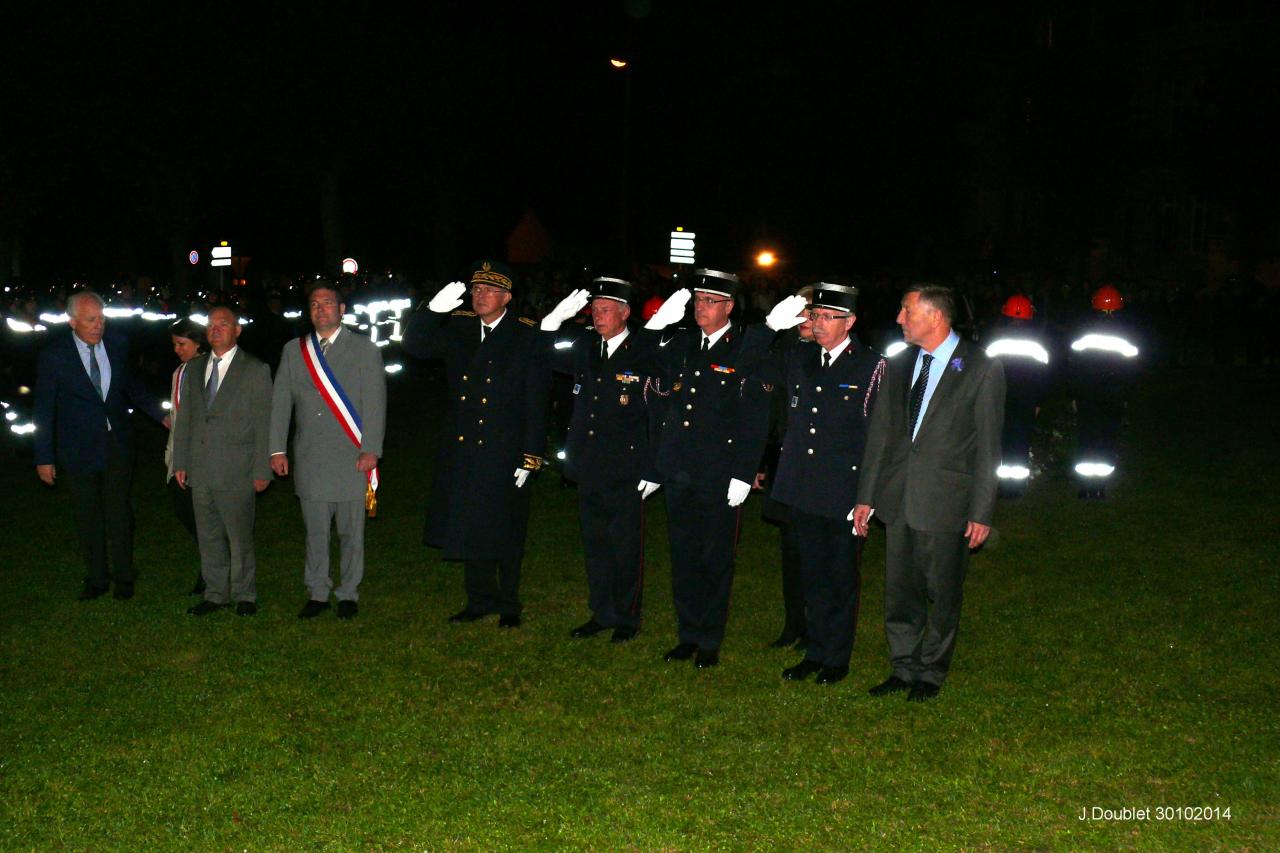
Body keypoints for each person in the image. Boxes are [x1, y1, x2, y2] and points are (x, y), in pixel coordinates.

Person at [852, 284, 1005, 701]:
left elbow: (990, 448)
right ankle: (902, 667)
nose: (899, 318)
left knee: (942, 591)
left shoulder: (980, 368)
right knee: (899, 590)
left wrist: (982, 510)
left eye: (906, 311)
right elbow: (880, 436)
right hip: (898, 497)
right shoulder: (898, 365)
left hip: (947, 500)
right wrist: (866, 495)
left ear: (935, 317)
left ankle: (930, 673)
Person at [748, 284, 885, 685]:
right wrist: (768, 327)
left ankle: (836, 658)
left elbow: (878, 437)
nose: (817, 323)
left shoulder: (871, 366)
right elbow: (746, 362)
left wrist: (866, 496)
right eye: (814, 315)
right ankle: (815, 651)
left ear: (850, 322)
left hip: (843, 490)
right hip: (802, 487)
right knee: (811, 576)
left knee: (839, 577)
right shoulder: (800, 357)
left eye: (827, 317)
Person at [401, 261, 551, 628]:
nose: (478, 295)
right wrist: (431, 311)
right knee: (470, 523)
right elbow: (414, 345)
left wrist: (531, 454)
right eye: (476, 289)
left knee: (507, 526)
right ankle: (479, 598)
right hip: (465, 445)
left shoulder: (524, 334)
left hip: (505, 447)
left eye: (488, 290)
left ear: (507, 297)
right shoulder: (459, 328)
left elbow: (537, 396)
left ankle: (509, 602)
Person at [642, 270, 774, 668]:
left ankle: (710, 640)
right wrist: (656, 324)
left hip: (719, 474)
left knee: (715, 559)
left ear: (729, 306)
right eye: (698, 300)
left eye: (710, 301)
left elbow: (756, 417)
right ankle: (688, 634)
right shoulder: (682, 344)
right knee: (683, 556)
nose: (701, 307)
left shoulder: (748, 347)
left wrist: (743, 471)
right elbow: (641, 361)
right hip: (680, 469)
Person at [539, 277, 664, 643]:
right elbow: (543, 355)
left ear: (625, 313)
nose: (598, 316)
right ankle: (602, 611)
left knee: (625, 546)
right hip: (589, 462)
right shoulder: (586, 347)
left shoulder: (644, 351)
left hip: (627, 467)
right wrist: (551, 323)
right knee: (595, 543)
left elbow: (658, 414)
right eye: (594, 309)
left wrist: (654, 467)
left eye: (606, 309)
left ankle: (627, 616)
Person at [33, 289, 166, 600]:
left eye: (101, 318)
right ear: (72, 322)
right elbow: (44, 408)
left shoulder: (118, 344)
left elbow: (131, 386)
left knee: (119, 510)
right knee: (87, 514)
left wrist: (162, 415)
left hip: (116, 442)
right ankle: (96, 577)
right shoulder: (54, 356)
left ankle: (123, 575)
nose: (98, 325)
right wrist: (44, 456)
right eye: (90, 320)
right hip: (77, 448)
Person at [269, 279, 386, 619]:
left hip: (352, 455)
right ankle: (318, 591)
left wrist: (371, 449)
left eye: (328, 304)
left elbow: (376, 404)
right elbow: (280, 403)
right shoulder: (295, 350)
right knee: (316, 531)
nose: (321, 310)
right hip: (311, 456)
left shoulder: (364, 349)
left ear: (342, 309)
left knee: (351, 532)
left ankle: (348, 591)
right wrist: (277, 448)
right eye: (315, 305)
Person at [173, 306, 273, 616]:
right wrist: (181, 461)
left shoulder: (255, 369)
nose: (216, 329)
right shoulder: (195, 368)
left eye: (224, 324)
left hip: (237, 469)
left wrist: (261, 469)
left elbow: (263, 423)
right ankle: (216, 594)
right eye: (211, 325)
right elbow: (185, 418)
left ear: (237, 330)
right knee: (209, 535)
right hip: (200, 469)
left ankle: (245, 594)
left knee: (239, 536)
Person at [756, 286, 814, 650]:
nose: (807, 320)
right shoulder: (786, 351)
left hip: (820, 469)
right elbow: (771, 411)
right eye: (804, 312)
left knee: (819, 554)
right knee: (791, 552)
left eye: (814, 313)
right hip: (786, 463)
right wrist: (763, 462)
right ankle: (794, 623)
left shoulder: (838, 355)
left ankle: (816, 627)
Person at [1067, 284, 1139, 499]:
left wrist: (1073, 395)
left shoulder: (1083, 331)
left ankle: (1085, 487)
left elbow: (1073, 367)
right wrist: (1126, 396)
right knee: (1107, 437)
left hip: (1087, 392)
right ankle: (1100, 487)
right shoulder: (1127, 333)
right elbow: (1132, 370)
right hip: (1113, 392)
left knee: (1087, 437)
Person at [984, 294, 1052, 497]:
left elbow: (984, 372)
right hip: (1026, 399)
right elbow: (1044, 376)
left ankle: (998, 485)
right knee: (1020, 440)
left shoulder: (995, 339)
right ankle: (1016, 488)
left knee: (1000, 440)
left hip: (999, 398)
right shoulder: (1038, 342)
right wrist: (1038, 401)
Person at [165, 318, 208, 594]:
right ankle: (212, 566)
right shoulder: (180, 372)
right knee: (186, 511)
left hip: (198, 458)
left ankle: (211, 572)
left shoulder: (205, 372)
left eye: (182, 344)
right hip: (178, 455)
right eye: (174, 345)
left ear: (198, 343)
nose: (177, 350)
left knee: (201, 517)